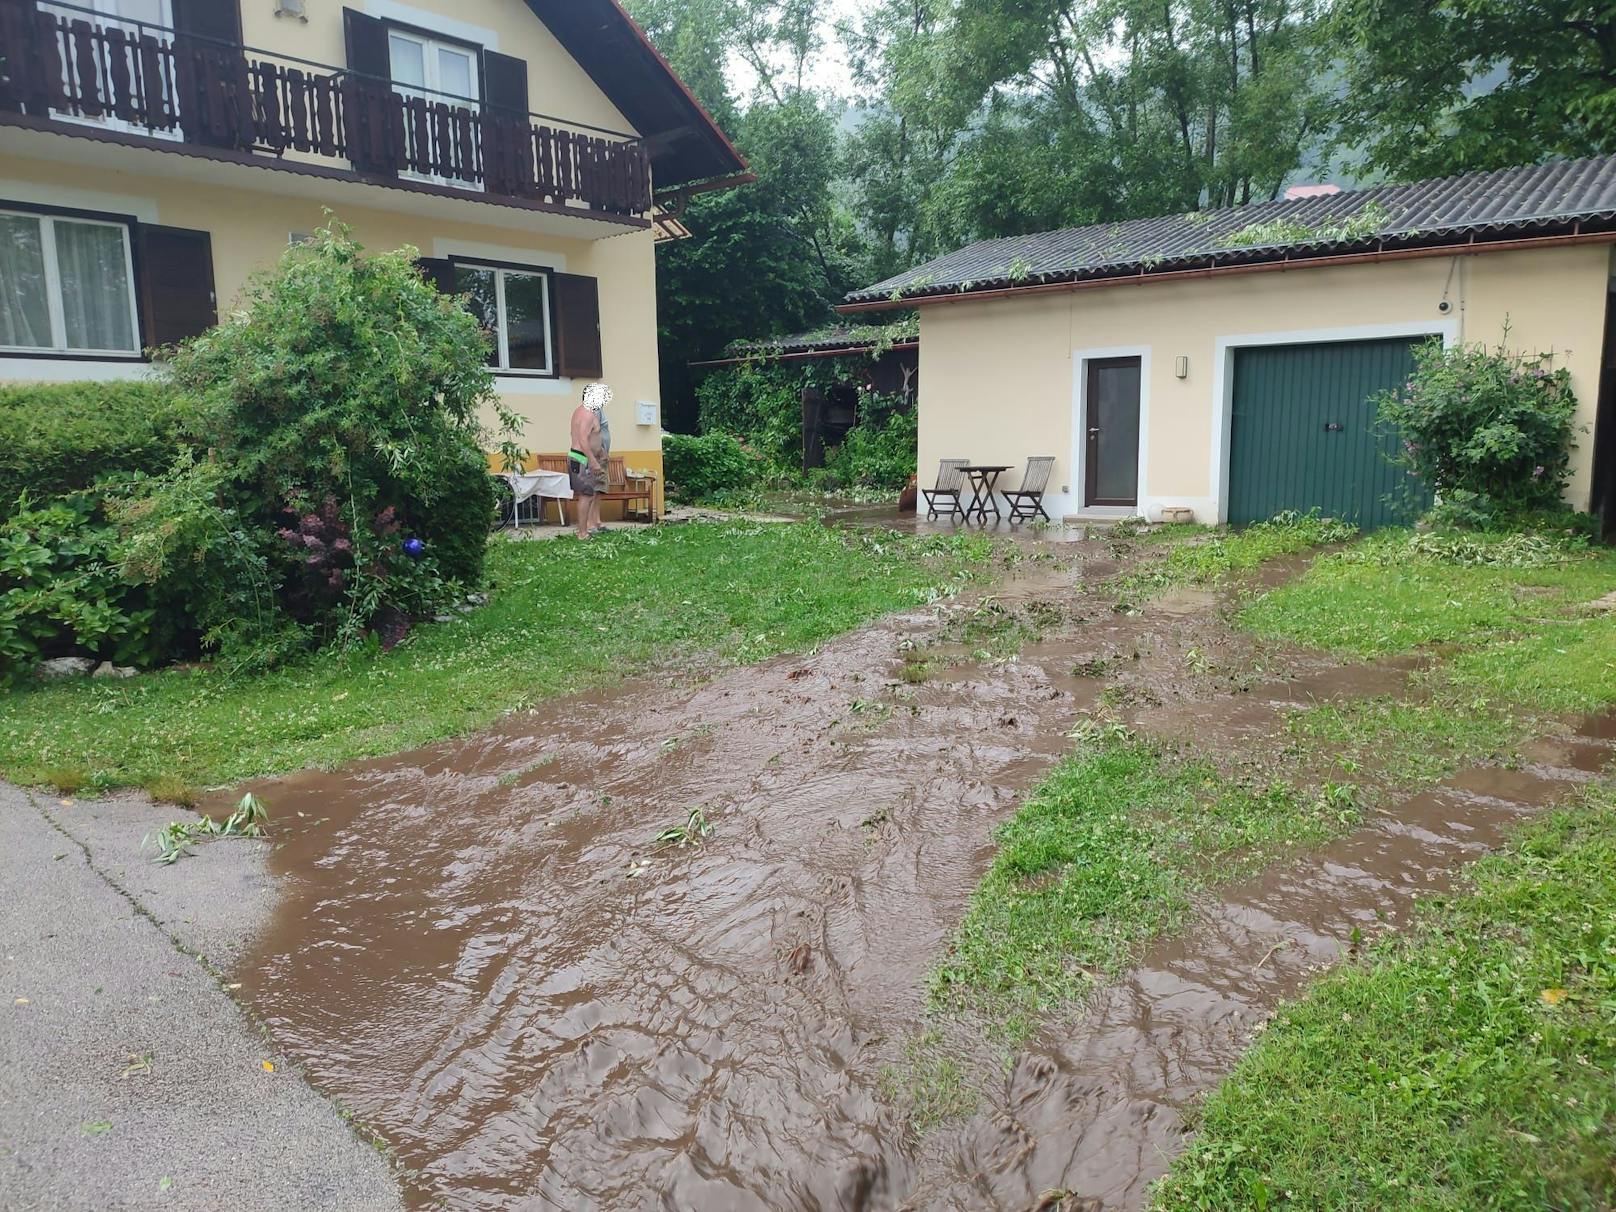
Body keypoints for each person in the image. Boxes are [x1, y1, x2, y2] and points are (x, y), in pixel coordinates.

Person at [568, 383, 612, 538]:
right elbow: (583, 439)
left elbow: (593, 438)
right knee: (586, 495)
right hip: (582, 459)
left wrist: (601, 452)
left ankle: (584, 530)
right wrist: (593, 461)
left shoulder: (582, 412)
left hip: (581, 457)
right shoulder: (586, 414)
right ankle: (582, 533)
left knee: (588, 494)